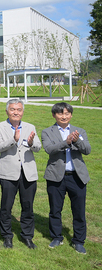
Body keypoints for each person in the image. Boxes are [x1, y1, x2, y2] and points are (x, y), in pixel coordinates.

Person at [42, 102, 91, 254]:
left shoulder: (79, 131)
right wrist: (66, 142)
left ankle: (78, 241)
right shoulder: (47, 132)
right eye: (60, 114)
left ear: (71, 114)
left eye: (67, 113)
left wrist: (77, 141)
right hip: (56, 176)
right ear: (54, 115)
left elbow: (87, 150)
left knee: (79, 210)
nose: (64, 116)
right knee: (55, 210)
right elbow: (49, 149)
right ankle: (57, 237)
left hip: (77, 177)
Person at [0, 99, 41, 249]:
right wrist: (13, 139)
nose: (16, 112)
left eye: (19, 109)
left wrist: (32, 143)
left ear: (22, 111)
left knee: (28, 206)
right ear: (7, 111)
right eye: (13, 109)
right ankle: (7, 236)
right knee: (6, 207)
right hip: (8, 173)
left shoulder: (30, 127)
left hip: (28, 173)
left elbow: (38, 147)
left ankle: (27, 236)